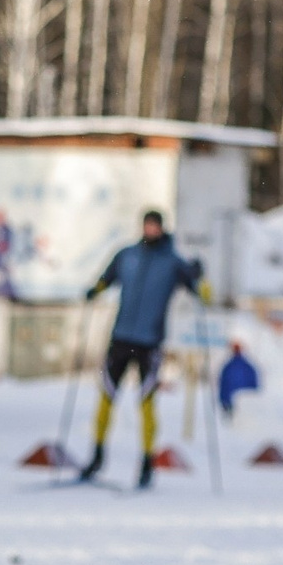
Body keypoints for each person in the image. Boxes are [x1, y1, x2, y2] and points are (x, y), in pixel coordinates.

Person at [80, 209, 206, 488]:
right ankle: (96, 457)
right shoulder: (127, 255)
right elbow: (106, 278)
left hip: (150, 343)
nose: (150, 230)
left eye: (155, 226)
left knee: (146, 404)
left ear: (161, 229)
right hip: (121, 338)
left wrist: (199, 276)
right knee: (106, 399)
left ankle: (147, 463)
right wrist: (95, 290)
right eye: (147, 226)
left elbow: (199, 290)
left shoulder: (172, 263)